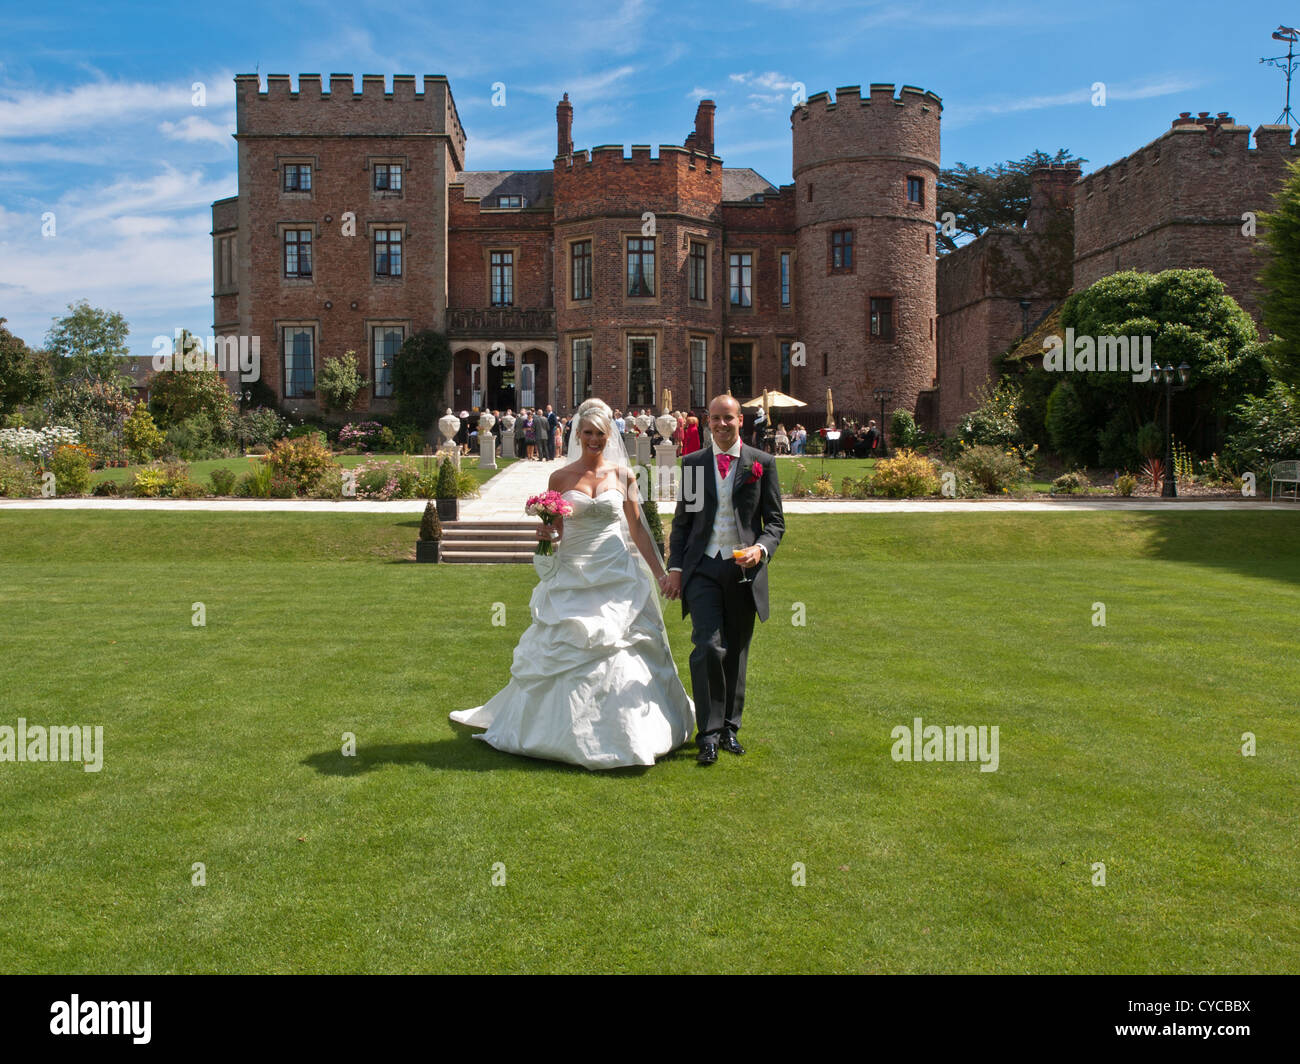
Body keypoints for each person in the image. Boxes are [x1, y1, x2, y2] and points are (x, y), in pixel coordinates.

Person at [450, 399, 694, 769]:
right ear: (578, 434)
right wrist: (547, 532)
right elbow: (558, 533)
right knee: (568, 645)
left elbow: (637, 531)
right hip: (573, 571)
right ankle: (555, 734)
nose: (594, 439)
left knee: (622, 645)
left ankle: (632, 733)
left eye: (600, 434)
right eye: (588, 433)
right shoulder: (560, 479)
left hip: (615, 571)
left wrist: (659, 572)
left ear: (609, 435)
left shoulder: (623, 475)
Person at [662, 395, 786, 765]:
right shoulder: (694, 465)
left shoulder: (761, 463)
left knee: (735, 650)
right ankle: (708, 734)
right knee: (707, 647)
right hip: (703, 568)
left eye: (727, 418)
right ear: (707, 422)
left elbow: (775, 522)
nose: (720, 424)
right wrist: (676, 568)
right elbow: (683, 523)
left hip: (743, 571)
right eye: (714, 418)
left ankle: (730, 726)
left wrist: (760, 550)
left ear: (741, 421)